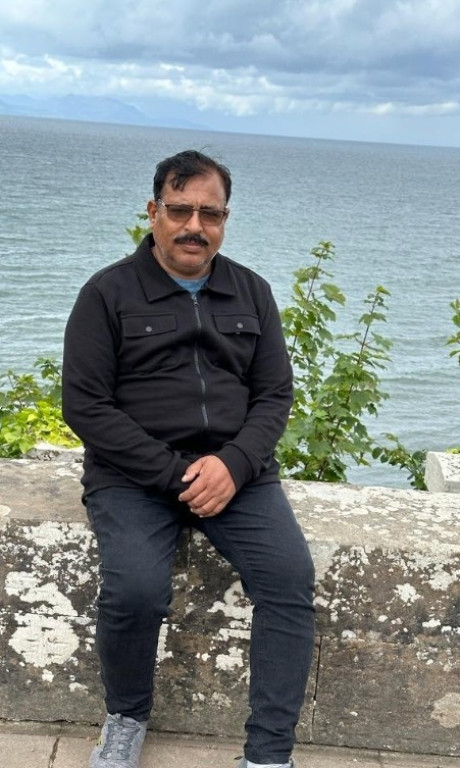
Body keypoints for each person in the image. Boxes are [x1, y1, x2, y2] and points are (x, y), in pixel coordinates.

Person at [62, 149, 315, 768]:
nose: (194, 226)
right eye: (180, 210)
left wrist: (235, 463)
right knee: (135, 591)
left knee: (289, 581)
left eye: (211, 213)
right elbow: (85, 406)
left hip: (237, 473)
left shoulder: (251, 291)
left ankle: (269, 754)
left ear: (225, 219)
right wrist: (175, 475)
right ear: (153, 212)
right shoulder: (107, 293)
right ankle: (126, 719)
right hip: (132, 476)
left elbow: (274, 394)